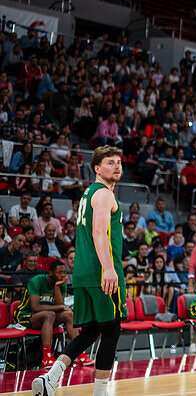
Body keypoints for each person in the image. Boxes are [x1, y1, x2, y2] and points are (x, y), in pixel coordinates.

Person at [32, 146, 129, 396]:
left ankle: (50, 378)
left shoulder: (88, 194)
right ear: (97, 168)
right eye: (110, 162)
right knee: (111, 329)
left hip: (84, 272)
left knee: (91, 331)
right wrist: (109, 268)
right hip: (101, 271)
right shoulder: (105, 195)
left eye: (119, 162)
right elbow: (99, 233)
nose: (117, 166)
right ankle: (100, 392)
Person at [13, 259, 84, 365]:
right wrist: (60, 306)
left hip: (48, 318)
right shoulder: (36, 281)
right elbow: (35, 307)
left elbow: (59, 306)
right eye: (59, 272)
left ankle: (79, 354)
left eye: (64, 272)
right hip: (26, 316)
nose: (63, 275)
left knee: (69, 314)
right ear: (50, 272)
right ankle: (47, 356)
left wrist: (57, 287)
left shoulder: (61, 284)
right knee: (49, 315)